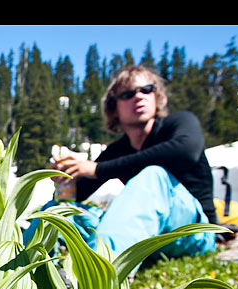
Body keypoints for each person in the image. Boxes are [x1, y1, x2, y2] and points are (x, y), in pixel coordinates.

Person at [24, 65, 217, 260]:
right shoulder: (118, 151)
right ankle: (22, 271)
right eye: (128, 94)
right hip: (144, 237)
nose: (139, 96)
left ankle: (92, 276)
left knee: (153, 175)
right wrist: (66, 178)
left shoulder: (179, 123)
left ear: (156, 96)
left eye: (147, 89)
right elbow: (78, 194)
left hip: (192, 232)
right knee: (55, 210)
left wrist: (97, 168)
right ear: (113, 107)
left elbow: (187, 151)